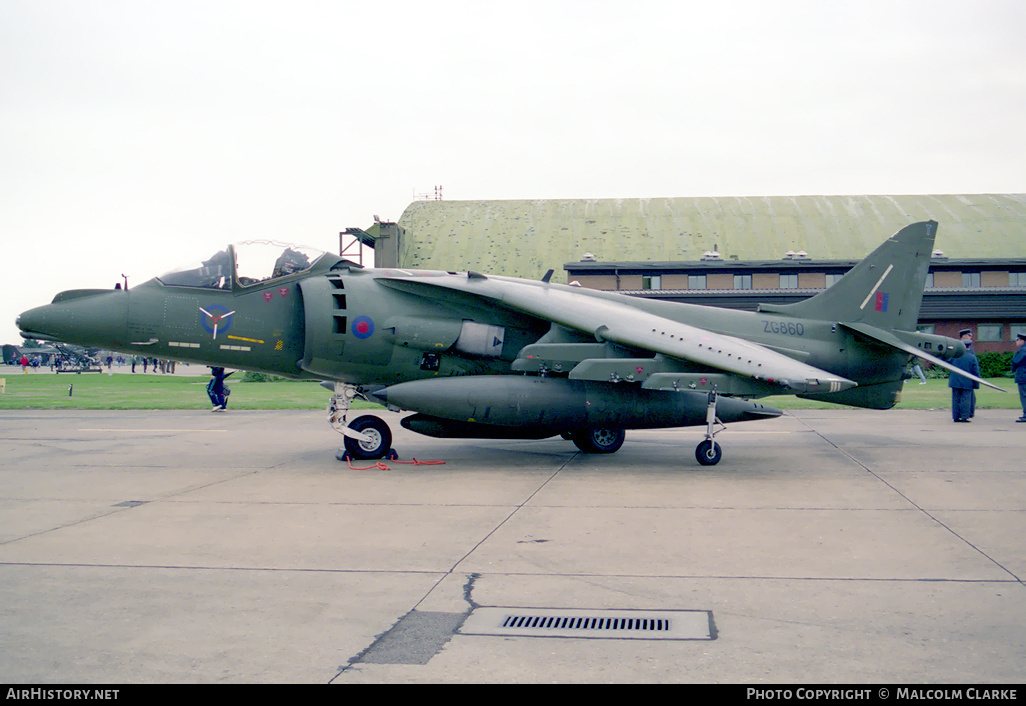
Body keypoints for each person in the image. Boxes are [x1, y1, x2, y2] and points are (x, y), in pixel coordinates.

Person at [948, 329, 980, 423]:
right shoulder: (971, 355)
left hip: (955, 379)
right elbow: (975, 370)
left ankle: (956, 416)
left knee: (956, 399)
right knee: (966, 399)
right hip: (967, 380)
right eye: (969, 335)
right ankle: (965, 416)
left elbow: (948, 362)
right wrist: (976, 383)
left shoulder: (955, 353)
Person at [1012, 332, 1026, 423]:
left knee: (1024, 396)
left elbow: (1015, 361)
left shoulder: (1023, 350)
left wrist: (1013, 369)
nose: (1016, 342)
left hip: (1023, 376)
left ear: (1022, 341)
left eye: (1018, 340)